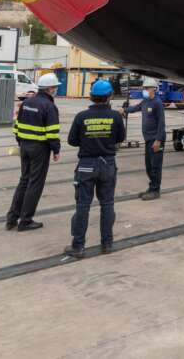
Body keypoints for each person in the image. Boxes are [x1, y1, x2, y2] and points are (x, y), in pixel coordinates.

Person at [64, 79, 126, 258]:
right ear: (109, 96)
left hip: (86, 165)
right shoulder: (115, 116)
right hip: (107, 164)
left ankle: (78, 246)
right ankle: (107, 243)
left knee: (83, 205)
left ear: (92, 97)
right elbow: (120, 138)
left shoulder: (81, 116)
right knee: (107, 204)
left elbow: (72, 141)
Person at [6, 73, 61, 231]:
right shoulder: (49, 106)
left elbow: (17, 126)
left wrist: (21, 143)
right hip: (39, 149)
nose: (56, 90)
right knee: (35, 183)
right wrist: (55, 150)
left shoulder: (27, 103)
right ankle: (26, 220)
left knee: (24, 181)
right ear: (50, 88)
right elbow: (52, 132)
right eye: (55, 87)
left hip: (24, 146)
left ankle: (11, 218)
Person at [123, 76, 166, 200]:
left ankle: (155, 190)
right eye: (144, 88)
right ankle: (151, 187)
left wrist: (158, 140)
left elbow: (161, 123)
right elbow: (135, 108)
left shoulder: (157, 103)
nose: (145, 90)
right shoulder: (145, 101)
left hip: (156, 139)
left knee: (155, 166)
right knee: (148, 166)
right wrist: (124, 110)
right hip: (148, 139)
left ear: (154, 89)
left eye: (147, 88)